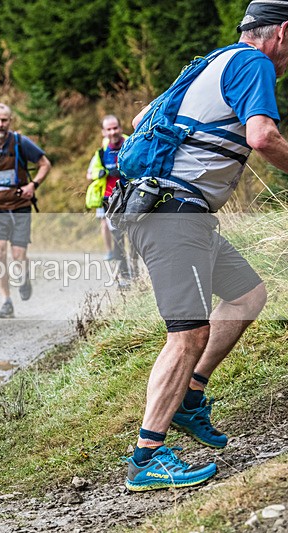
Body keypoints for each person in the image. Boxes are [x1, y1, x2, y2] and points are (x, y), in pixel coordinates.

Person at [123, 0, 288, 492]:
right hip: (175, 217)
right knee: (187, 335)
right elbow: (262, 136)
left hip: (170, 212)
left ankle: (190, 395)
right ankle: (146, 458)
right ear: (282, 31)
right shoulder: (254, 63)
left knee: (247, 295)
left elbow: (139, 119)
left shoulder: (213, 61)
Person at [0, 103, 51, 318]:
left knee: (19, 255)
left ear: (10, 121)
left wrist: (33, 185)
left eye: (4, 120)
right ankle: (6, 301)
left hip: (20, 206)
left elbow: (45, 163)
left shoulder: (20, 142)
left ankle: (25, 276)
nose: (0, 124)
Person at [85, 115, 133, 282]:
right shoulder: (101, 153)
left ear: (120, 128)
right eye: (109, 129)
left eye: (115, 128)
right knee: (118, 239)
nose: (113, 132)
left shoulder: (132, 144)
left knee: (135, 238)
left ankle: (140, 277)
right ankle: (125, 278)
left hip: (131, 196)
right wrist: (99, 173)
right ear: (104, 132)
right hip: (110, 200)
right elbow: (90, 174)